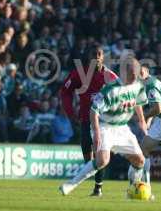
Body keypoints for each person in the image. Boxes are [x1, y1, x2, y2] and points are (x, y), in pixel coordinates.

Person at [59, 57, 148, 196]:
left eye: (136, 74)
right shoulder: (110, 90)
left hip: (122, 128)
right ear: (124, 72)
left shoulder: (137, 85)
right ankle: (69, 185)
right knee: (102, 160)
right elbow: (93, 110)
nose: (135, 77)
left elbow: (138, 102)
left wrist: (142, 120)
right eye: (132, 74)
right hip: (104, 127)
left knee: (140, 161)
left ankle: (132, 190)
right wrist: (96, 133)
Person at [60, 44, 118, 197]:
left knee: (99, 153)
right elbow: (65, 92)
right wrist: (71, 113)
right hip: (85, 119)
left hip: (104, 123)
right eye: (94, 54)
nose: (97, 57)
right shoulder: (79, 74)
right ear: (89, 57)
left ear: (103, 57)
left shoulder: (110, 77)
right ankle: (94, 179)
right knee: (88, 155)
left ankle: (98, 188)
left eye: (99, 54)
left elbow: (122, 95)